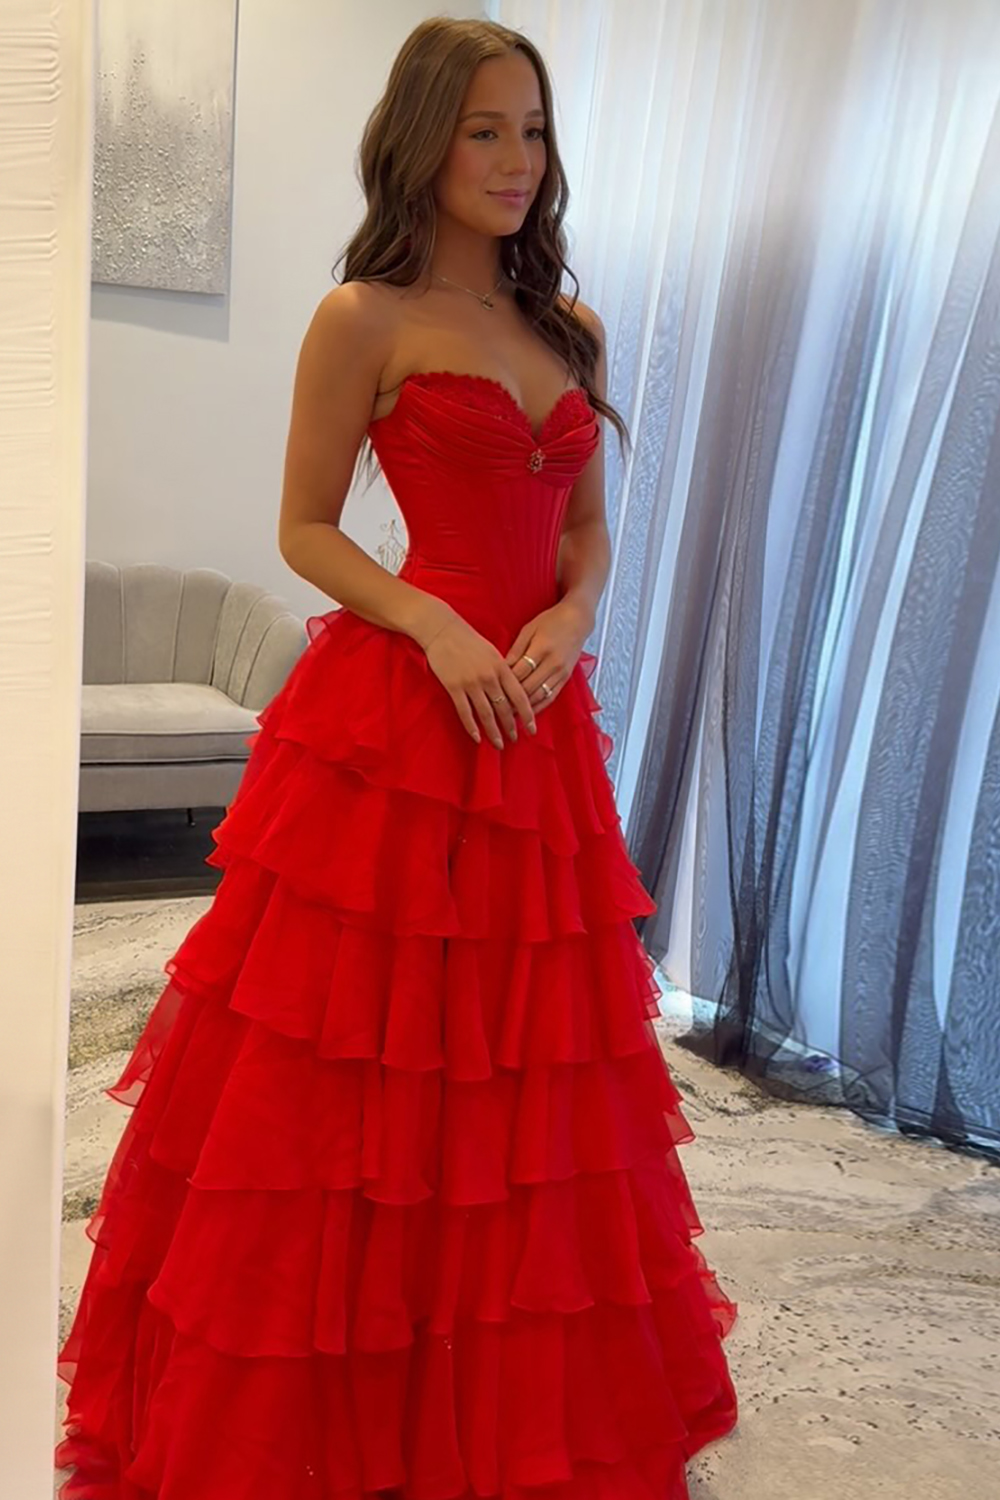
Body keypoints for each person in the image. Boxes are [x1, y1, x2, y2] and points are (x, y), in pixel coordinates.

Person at [55, 16, 739, 1499]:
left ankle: (491, 1380)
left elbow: (586, 528)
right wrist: (433, 623)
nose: (515, 159)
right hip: (405, 713)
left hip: (533, 723)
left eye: (533, 130)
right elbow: (304, 527)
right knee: (358, 1048)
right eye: (485, 129)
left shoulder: (569, 328)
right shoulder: (360, 317)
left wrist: (572, 612)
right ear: (423, 141)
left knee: (525, 1055)